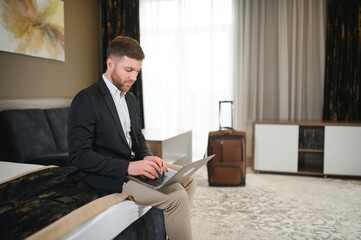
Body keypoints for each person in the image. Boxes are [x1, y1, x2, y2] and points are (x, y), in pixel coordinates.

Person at [67, 36, 196, 240]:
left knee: (189, 177)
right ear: (110, 63)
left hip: (133, 166)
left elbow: (137, 136)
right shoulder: (86, 99)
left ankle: (172, 227)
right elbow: (78, 156)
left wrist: (147, 156)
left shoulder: (131, 99)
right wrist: (128, 167)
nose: (134, 77)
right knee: (177, 197)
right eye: (129, 70)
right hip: (109, 175)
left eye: (137, 71)